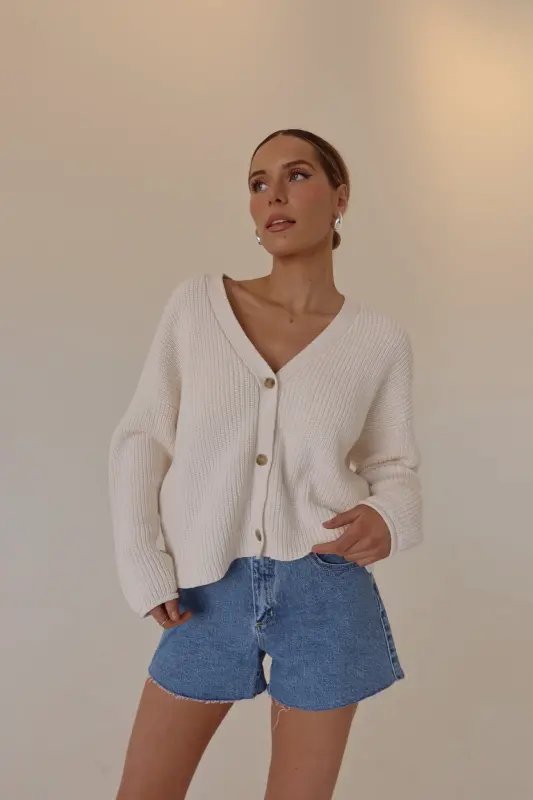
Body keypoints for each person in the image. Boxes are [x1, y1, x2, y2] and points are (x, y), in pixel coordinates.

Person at [109, 128, 423, 800]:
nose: (273, 195)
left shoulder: (378, 341)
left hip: (325, 587)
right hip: (204, 590)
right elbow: (142, 439)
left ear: (340, 198)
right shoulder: (197, 306)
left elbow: (394, 465)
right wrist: (144, 563)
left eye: (297, 175)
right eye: (258, 183)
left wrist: (388, 516)